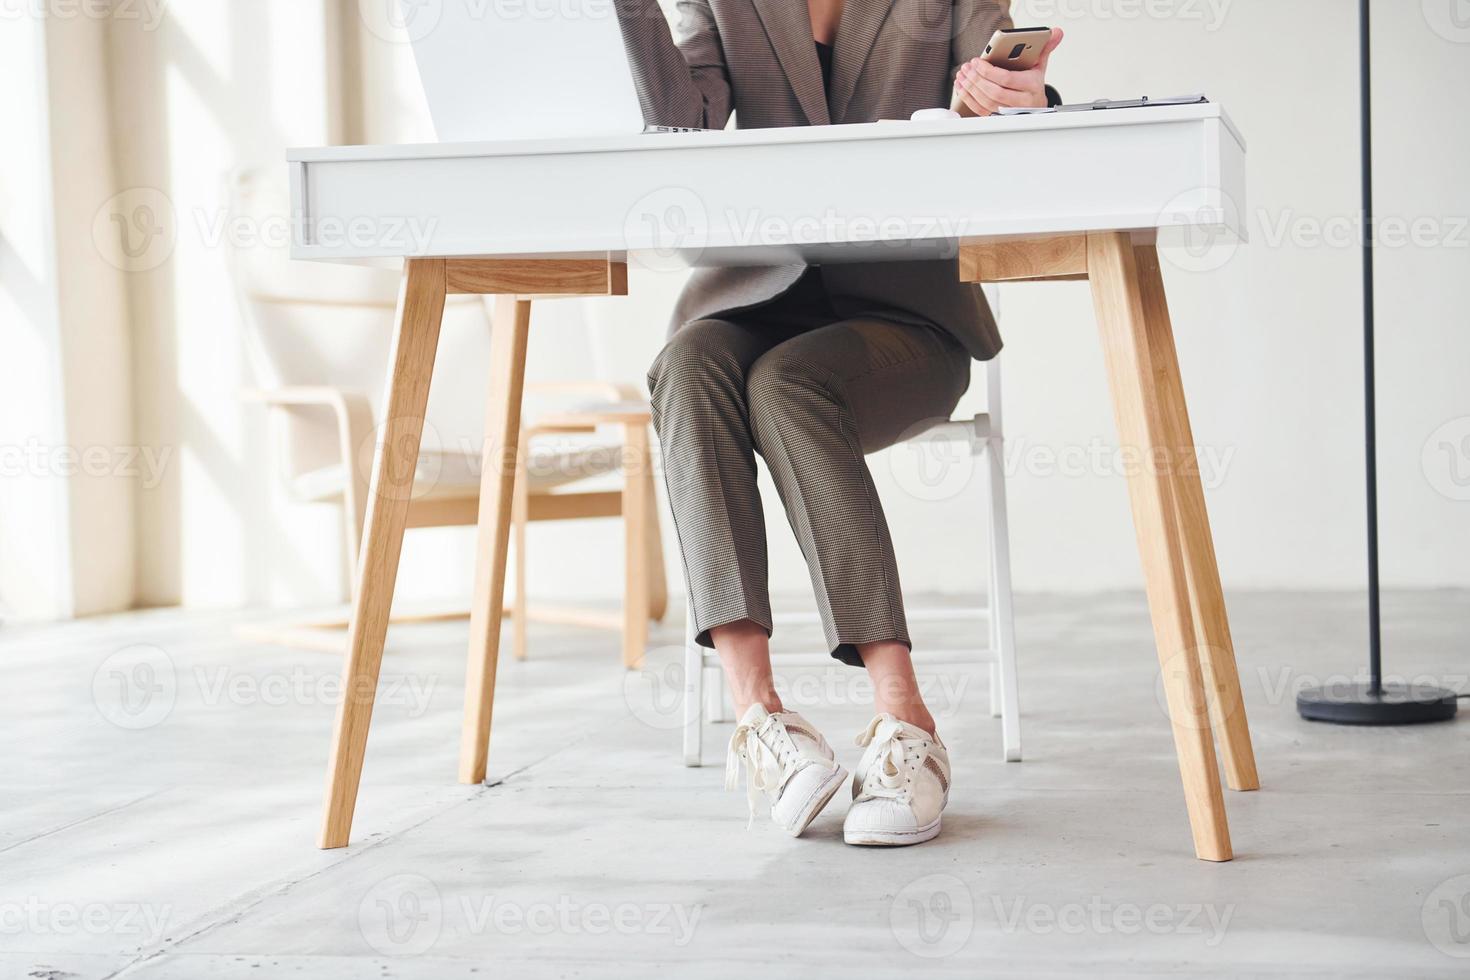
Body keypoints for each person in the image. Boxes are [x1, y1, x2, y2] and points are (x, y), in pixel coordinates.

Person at [614, 0, 1061, 845]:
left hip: (905, 320)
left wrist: (1011, 98)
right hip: (761, 293)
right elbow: (684, 122)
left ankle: (907, 722)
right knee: (687, 363)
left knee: (788, 383)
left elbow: (996, 104)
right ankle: (761, 720)